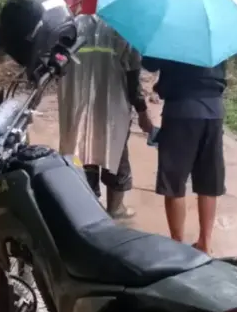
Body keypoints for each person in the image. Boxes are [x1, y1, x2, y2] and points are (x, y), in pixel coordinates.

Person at [58, 13, 152, 219]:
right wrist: (143, 112)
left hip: (77, 106)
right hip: (112, 109)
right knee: (115, 154)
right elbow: (133, 79)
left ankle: (87, 207)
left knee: (82, 153)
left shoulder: (70, 26)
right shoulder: (125, 30)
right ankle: (116, 208)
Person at [140, 57, 226, 252]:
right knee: (208, 180)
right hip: (214, 111)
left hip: (181, 110)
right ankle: (205, 243)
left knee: (174, 181)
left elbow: (149, 63)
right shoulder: (214, 41)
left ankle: (178, 246)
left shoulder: (172, 39)